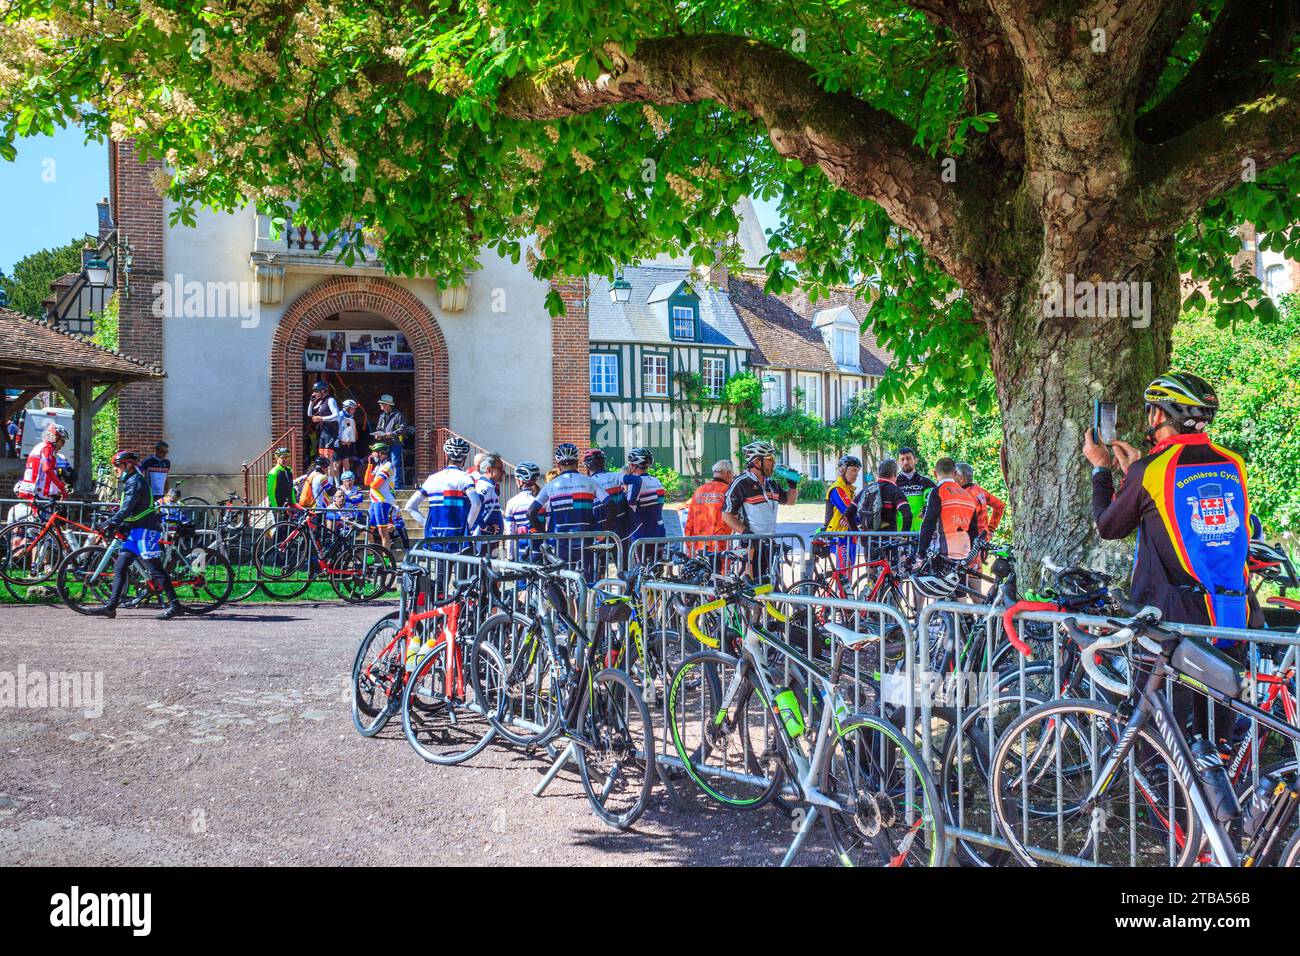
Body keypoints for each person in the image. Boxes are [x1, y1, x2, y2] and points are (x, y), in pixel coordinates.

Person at [1086, 372, 1262, 633]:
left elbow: (1109, 527)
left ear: (1157, 415)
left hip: (1174, 621)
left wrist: (1101, 469)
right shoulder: (1233, 462)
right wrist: (1136, 474)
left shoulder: (1151, 470)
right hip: (1237, 611)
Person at [91, 451, 182, 620]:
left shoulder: (136, 482)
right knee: (120, 566)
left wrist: (110, 522)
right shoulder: (131, 481)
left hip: (146, 530)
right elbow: (128, 509)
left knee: (155, 569)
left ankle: (175, 605)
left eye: (118, 466)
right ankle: (111, 607)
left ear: (128, 465)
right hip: (135, 531)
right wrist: (114, 520)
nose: (116, 470)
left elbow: (127, 509)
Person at [528, 442, 610, 580]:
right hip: (586, 541)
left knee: (564, 584)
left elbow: (530, 513)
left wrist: (544, 535)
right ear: (577, 463)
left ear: (559, 465)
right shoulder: (589, 482)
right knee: (586, 584)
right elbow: (611, 505)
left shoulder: (551, 485)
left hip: (561, 543)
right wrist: (604, 531)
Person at [722, 440, 799, 583]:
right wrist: (746, 533)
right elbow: (726, 514)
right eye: (770, 459)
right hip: (749, 547)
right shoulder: (741, 483)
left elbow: (790, 501)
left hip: (768, 545)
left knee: (771, 588)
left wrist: (792, 486)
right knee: (751, 591)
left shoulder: (771, 484)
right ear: (757, 462)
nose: (774, 463)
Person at [405, 435, 482, 551]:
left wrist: (426, 524)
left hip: (435, 535)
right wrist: (468, 526)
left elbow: (410, 506)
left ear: (446, 456)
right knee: (462, 568)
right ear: (464, 458)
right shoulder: (465, 478)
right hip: (459, 535)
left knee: (439, 569)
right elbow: (476, 503)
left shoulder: (432, 479)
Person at [914, 457, 980, 563]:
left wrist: (921, 554)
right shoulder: (968, 496)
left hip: (942, 553)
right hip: (964, 556)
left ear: (935, 474)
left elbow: (929, 523)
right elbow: (973, 531)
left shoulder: (938, 491)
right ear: (955, 473)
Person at [683, 459, 734, 551]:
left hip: (698, 546)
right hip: (720, 546)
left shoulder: (699, 490)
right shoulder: (729, 491)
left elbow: (690, 521)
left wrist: (689, 545)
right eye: (732, 475)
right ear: (728, 473)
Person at [622, 447, 666, 553]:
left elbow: (630, 508)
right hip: (659, 530)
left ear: (632, 465)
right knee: (656, 567)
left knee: (641, 568)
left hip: (641, 534)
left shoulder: (635, 483)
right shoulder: (657, 481)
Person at [823, 454, 861, 570]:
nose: (856, 474)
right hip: (839, 536)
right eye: (853, 470)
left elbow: (856, 514)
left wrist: (857, 517)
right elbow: (850, 512)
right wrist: (862, 518)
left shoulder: (850, 490)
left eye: (857, 471)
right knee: (843, 574)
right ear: (842, 470)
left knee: (848, 573)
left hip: (849, 536)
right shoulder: (837, 489)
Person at [15, 423, 69, 505]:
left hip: (31, 491)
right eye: (62, 441)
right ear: (56, 438)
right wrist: (61, 487)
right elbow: (46, 469)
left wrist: (55, 489)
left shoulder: (41, 446)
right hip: (37, 494)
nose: (63, 444)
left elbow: (42, 473)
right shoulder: (47, 448)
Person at [856, 458, 912, 533]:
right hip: (888, 540)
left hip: (867, 540)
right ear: (895, 474)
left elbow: (848, 513)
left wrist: (856, 533)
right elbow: (907, 514)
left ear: (879, 473)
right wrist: (904, 536)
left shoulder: (867, 489)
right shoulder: (895, 491)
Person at [362, 442, 400, 550]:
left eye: (374, 452)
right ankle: (370, 559)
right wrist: (370, 465)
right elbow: (366, 482)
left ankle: (386, 561)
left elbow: (375, 485)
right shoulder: (378, 466)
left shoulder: (388, 466)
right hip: (375, 501)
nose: (372, 454)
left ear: (380, 453)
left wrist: (372, 483)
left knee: (383, 532)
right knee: (367, 530)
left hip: (382, 501)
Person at [583, 449, 628, 536]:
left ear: (587, 467)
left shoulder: (588, 483)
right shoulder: (616, 476)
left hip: (602, 531)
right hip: (622, 531)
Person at [505, 460, 543, 560]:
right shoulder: (543, 500)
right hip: (542, 550)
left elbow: (510, 532)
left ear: (520, 481)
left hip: (522, 551)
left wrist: (510, 556)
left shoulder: (512, 502)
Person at [955, 461, 1005, 538]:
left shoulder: (964, 496)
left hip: (972, 542)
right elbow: (999, 505)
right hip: (983, 538)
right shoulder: (978, 490)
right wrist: (991, 528)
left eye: (953, 476)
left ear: (961, 478)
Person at [306, 381, 342, 478]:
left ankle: (330, 482)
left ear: (323, 391)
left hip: (331, 431)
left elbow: (336, 415)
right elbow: (310, 414)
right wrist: (311, 402)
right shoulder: (321, 402)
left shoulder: (330, 400)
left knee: (328, 457)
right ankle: (324, 479)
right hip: (324, 432)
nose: (314, 394)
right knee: (322, 456)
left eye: (316, 391)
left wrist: (321, 418)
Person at [895, 447, 935, 532]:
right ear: (898, 462)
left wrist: (926, 510)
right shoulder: (894, 483)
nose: (905, 462)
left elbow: (936, 502)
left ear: (915, 460)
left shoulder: (927, 482)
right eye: (902, 459)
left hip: (922, 531)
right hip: (900, 532)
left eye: (908, 458)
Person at [373, 395, 407, 487]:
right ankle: (384, 483)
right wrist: (378, 435)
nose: (380, 406)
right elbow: (379, 428)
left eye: (382, 404)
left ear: (388, 405)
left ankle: (395, 485)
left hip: (396, 442)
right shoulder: (382, 416)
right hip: (384, 443)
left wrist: (391, 434)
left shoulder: (398, 415)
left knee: (395, 463)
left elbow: (403, 429)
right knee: (383, 463)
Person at [471, 452, 505, 535]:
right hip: (483, 541)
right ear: (489, 470)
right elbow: (472, 508)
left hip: (489, 540)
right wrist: (486, 527)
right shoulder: (484, 487)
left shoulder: (490, 486)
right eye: (500, 469)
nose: (503, 473)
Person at [338, 399, 360, 475]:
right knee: (336, 464)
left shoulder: (351, 417)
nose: (354, 410)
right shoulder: (339, 416)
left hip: (347, 444)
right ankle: (336, 484)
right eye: (353, 409)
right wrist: (340, 440)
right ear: (347, 408)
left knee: (346, 463)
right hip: (338, 443)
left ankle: (346, 483)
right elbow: (336, 430)